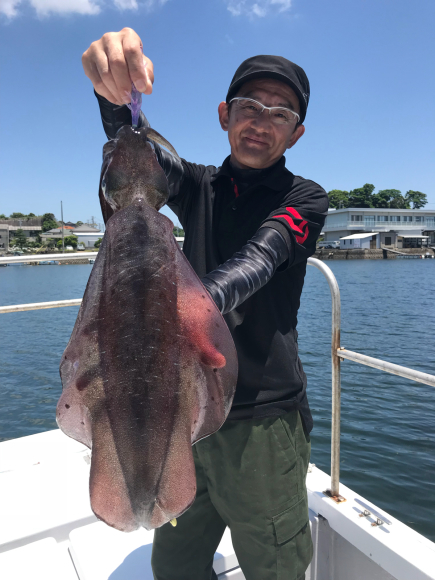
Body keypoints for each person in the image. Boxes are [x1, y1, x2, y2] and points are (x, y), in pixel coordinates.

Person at [83, 27, 328, 580]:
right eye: (249, 106)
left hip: (263, 424)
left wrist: (178, 309)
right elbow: (134, 158)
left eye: (280, 113)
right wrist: (112, 94)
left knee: (274, 566)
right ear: (225, 115)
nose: (261, 121)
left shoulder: (303, 199)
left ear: (296, 133)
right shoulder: (196, 185)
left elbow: (259, 262)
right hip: (182, 414)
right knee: (175, 563)